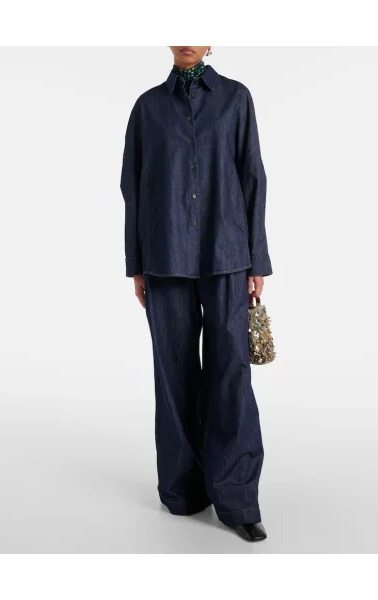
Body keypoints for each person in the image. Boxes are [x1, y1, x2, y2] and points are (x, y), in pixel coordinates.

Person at [120, 46, 273, 542]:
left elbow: (253, 177)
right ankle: (182, 489)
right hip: (164, 257)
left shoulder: (236, 99)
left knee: (231, 373)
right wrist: (136, 264)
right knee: (174, 374)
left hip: (227, 254)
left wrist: (257, 260)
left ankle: (237, 498)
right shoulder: (147, 108)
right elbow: (132, 186)